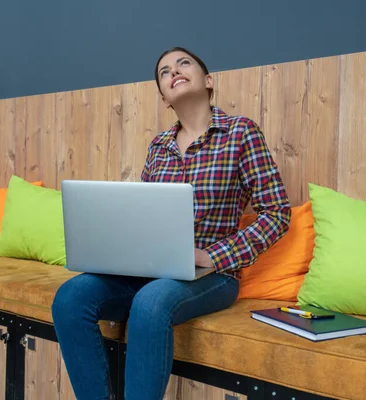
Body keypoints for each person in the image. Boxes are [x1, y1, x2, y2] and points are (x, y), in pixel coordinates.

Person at [52, 47, 291, 400]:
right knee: (70, 297)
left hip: (212, 276)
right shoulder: (159, 147)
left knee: (151, 302)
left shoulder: (241, 133)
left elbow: (277, 213)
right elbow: (145, 215)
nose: (174, 71)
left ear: (208, 81)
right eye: (164, 72)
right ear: (164, 97)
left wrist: (212, 256)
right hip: (150, 270)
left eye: (183, 64)